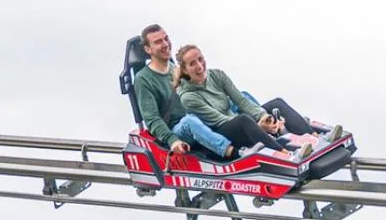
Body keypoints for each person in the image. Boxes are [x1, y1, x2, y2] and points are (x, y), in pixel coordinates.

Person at [174, 44, 342, 159]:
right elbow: (219, 119)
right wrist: (258, 126)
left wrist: (264, 117)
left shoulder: (217, 75)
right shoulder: (188, 97)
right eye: (192, 63)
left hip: (237, 121)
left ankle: (316, 138)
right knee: (244, 120)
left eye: (200, 59)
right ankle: (286, 154)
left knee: (276, 103)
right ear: (185, 70)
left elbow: (240, 100)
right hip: (223, 131)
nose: (199, 66)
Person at [132, 24, 249, 160]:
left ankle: (265, 127)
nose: (165, 44)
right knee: (190, 121)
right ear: (148, 49)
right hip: (178, 128)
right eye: (158, 42)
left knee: (242, 96)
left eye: (166, 39)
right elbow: (152, 119)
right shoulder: (143, 79)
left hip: (197, 113)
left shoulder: (174, 68)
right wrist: (172, 140)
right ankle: (235, 153)